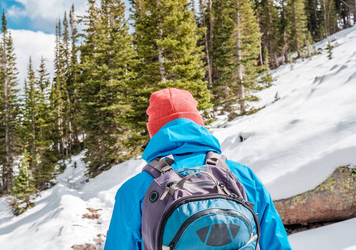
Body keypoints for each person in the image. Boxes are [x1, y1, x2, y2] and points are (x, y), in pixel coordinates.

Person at [104, 88, 291, 250]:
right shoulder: (242, 176)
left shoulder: (135, 190)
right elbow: (276, 243)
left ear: (154, 132)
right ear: (198, 124)